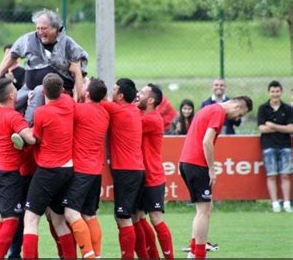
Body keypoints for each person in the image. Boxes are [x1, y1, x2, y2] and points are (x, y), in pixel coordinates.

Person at [179, 95, 252, 259]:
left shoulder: (208, 109)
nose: (237, 118)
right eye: (240, 115)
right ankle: (199, 253)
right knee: (203, 211)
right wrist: (212, 168)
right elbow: (207, 142)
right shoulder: (218, 112)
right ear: (237, 107)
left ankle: (194, 249)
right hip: (197, 164)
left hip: (187, 162)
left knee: (206, 208)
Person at [0, 9, 88, 124]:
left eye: (44, 28)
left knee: (38, 92)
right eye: (38, 28)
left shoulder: (69, 45)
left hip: (54, 91)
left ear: (55, 28)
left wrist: (76, 101)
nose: (40, 32)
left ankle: (25, 128)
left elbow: (78, 74)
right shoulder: (28, 40)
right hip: (28, 87)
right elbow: (12, 55)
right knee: (10, 99)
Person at [0, 78, 36, 258]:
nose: (17, 92)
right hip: (9, 175)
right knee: (11, 221)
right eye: (15, 90)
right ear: (11, 95)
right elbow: (32, 139)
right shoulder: (14, 117)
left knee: (2, 219)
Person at [21, 73, 77, 259]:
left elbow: (35, 138)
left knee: (30, 219)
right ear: (62, 90)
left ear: (43, 91)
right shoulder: (69, 103)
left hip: (48, 171)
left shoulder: (41, 113)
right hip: (68, 169)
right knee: (59, 220)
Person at [63, 78, 109, 259]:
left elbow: (69, 111)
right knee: (89, 214)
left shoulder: (79, 109)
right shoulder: (104, 113)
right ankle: (96, 255)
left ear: (87, 93)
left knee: (71, 212)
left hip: (81, 170)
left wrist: (75, 92)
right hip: (95, 171)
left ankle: (88, 255)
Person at [100, 78, 145, 259]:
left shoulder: (116, 110)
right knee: (133, 218)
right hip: (135, 170)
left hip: (126, 171)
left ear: (120, 96)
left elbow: (94, 100)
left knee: (123, 218)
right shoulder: (133, 110)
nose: (112, 90)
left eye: (115, 88)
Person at [134, 84, 174, 260]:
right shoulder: (142, 115)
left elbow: (128, 124)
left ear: (150, 100)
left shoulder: (152, 119)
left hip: (152, 177)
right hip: (139, 176)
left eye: (141, 93)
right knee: (138, 218)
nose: (137, 95)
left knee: (155, 218)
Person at [257, 80, 293, 213]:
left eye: (277, 91)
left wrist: (272, 125)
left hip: (285, 145)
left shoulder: (288, 109)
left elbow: (291, 128)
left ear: (281, 92)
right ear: (269, 92)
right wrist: (282, 128)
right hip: (268, 145)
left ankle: (287, 202)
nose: (275, 94)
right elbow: (262, 128)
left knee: (285, 175)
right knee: (271, 175)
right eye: (273, 91)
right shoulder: (263, 108)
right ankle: (275, 203)